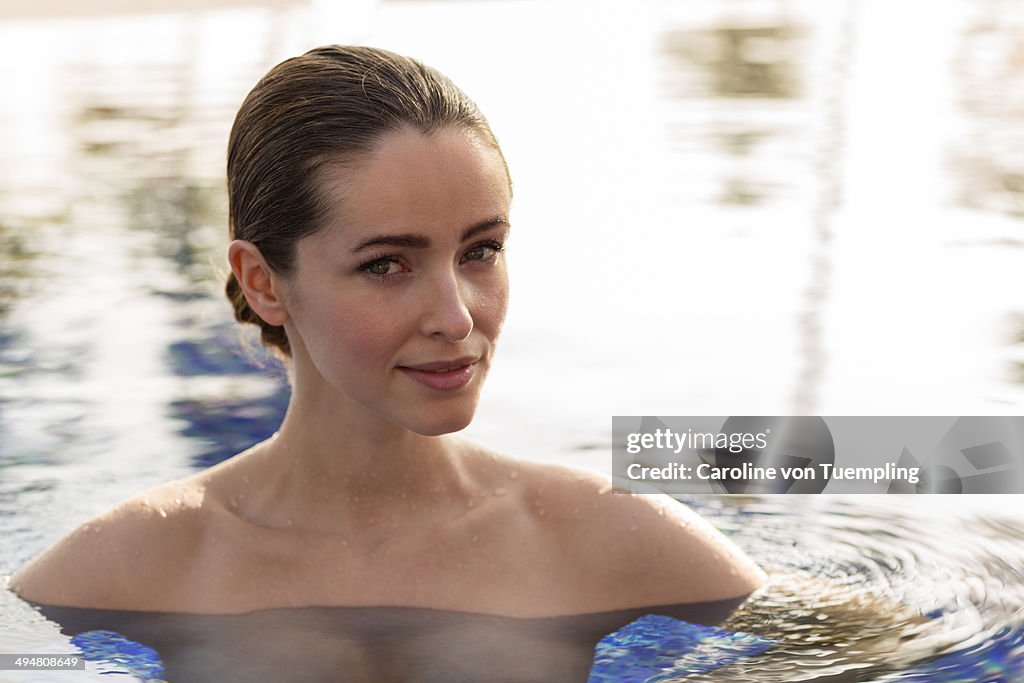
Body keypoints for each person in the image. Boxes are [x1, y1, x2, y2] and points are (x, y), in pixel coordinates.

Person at [11, 45, 763, 623]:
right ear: (264, 281)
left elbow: (864, 643)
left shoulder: (602, 535)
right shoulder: (142, 562)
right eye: (387, 264)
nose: (457, 316)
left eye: (481, 251)